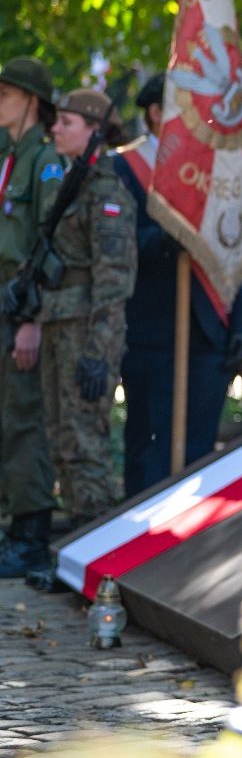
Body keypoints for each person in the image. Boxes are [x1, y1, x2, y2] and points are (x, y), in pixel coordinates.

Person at [115, 74, 242, 497]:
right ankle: (140, 550)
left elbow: (239, 247)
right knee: (149, 449)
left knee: (198, 450)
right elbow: (116, 250)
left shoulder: (220, 171)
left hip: (208, 329)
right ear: (156, 114)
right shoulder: (121, 168)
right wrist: (168, 234)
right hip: (151, 333)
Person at [23, 89, 135, 575]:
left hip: (87, 334)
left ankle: (101, 562)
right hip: (58, 323)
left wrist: (98, 353)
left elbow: (114, 282)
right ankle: (76, 559)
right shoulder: (72, 182)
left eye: (67, 122)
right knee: (60, 442)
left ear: (92, 129)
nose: (56, 129)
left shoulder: (106, 191)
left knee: (85, 445)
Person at [0, 58, 64, 579]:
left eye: (6, 93)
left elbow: (49, 245)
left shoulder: (44, 162)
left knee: (24, 419)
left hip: (20, 305)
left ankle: (31, 536)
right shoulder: (9, 157)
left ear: (31, 102)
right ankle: (12, 527)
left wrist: (33, 320)